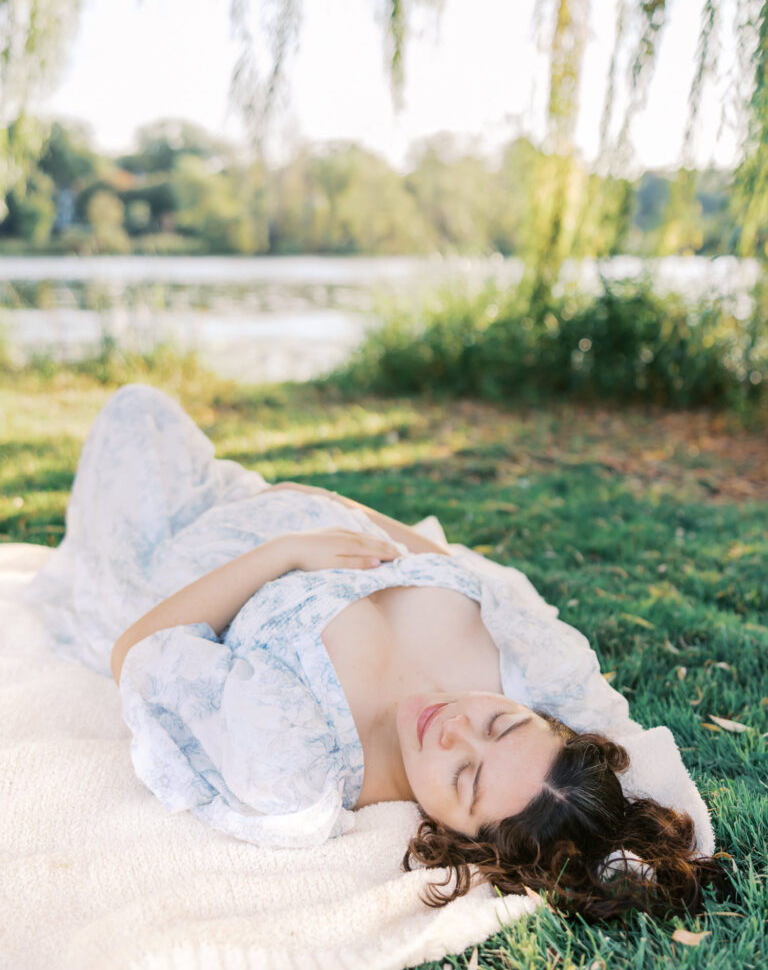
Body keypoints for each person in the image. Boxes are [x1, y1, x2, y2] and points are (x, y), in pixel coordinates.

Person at [25, 384, 727, 921]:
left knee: (136, 410)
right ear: (542, 718)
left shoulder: (296, 758)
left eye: (465, 778)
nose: (454, 728)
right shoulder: (539, 668)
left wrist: (286, 552)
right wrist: (325, 500)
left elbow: (136, 652)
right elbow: (445, 563)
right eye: (501, 722)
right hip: (269, 501)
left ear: (463, 839)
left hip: (178, 551)